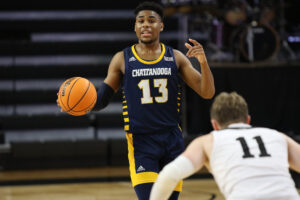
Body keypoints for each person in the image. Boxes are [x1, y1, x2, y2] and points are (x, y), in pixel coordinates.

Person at [58, 1, 215, 200]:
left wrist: (203, 62)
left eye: (151, 20)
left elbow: (207, 92)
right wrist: (77, 105)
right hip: (142, 143)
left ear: (161, 26)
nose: (145, 25)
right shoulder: (122, 59)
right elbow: (102, 100)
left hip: (172, 141)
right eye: (140, 21)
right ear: (135, 27)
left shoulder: (176, 58)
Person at [150, 91, 300, 200]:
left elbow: (169, 174)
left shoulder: (208, 141)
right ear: (247, 120)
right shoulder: (276, 136)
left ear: (214, 124)